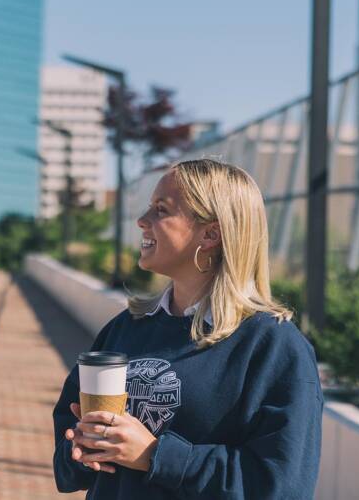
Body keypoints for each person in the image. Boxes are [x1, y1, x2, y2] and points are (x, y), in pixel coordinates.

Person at [52, 159, 322, 499]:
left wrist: (154, 455)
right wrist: (82, 448)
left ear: (210, 233)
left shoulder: (273, 346)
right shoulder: (126, 328)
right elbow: (68, 458)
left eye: (160, 210)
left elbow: (281, 486)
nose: (141, 221)